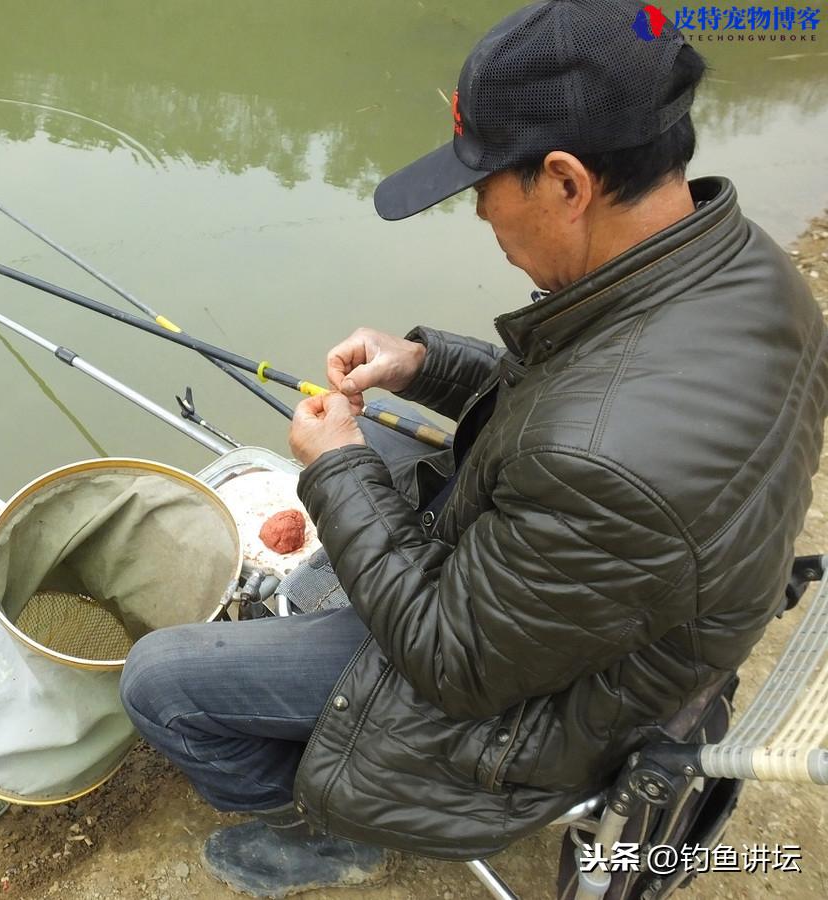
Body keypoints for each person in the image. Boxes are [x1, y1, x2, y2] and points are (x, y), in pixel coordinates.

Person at [120, 1, 828, 896]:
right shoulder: (741, 266)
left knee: (159, 684)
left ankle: (326, 828)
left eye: (486, 195)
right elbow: (577, 395)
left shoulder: (607, 459)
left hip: (553, 707)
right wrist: (422, 365)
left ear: (567, 183)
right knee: (373, 423)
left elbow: (449, 660)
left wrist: (334, 466)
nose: (484, 222)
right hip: (617, 613)